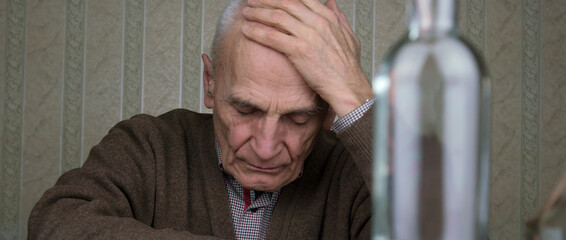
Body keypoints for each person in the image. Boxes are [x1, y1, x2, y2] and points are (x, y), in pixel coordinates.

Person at [28, 0, 374, 239]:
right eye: (245, 110)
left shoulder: (359, 173)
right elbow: (54, 224)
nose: (266, 147)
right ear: (210, 82)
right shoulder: (148, 145)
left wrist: (356, 96)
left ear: (329, 110)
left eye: (298, 118)